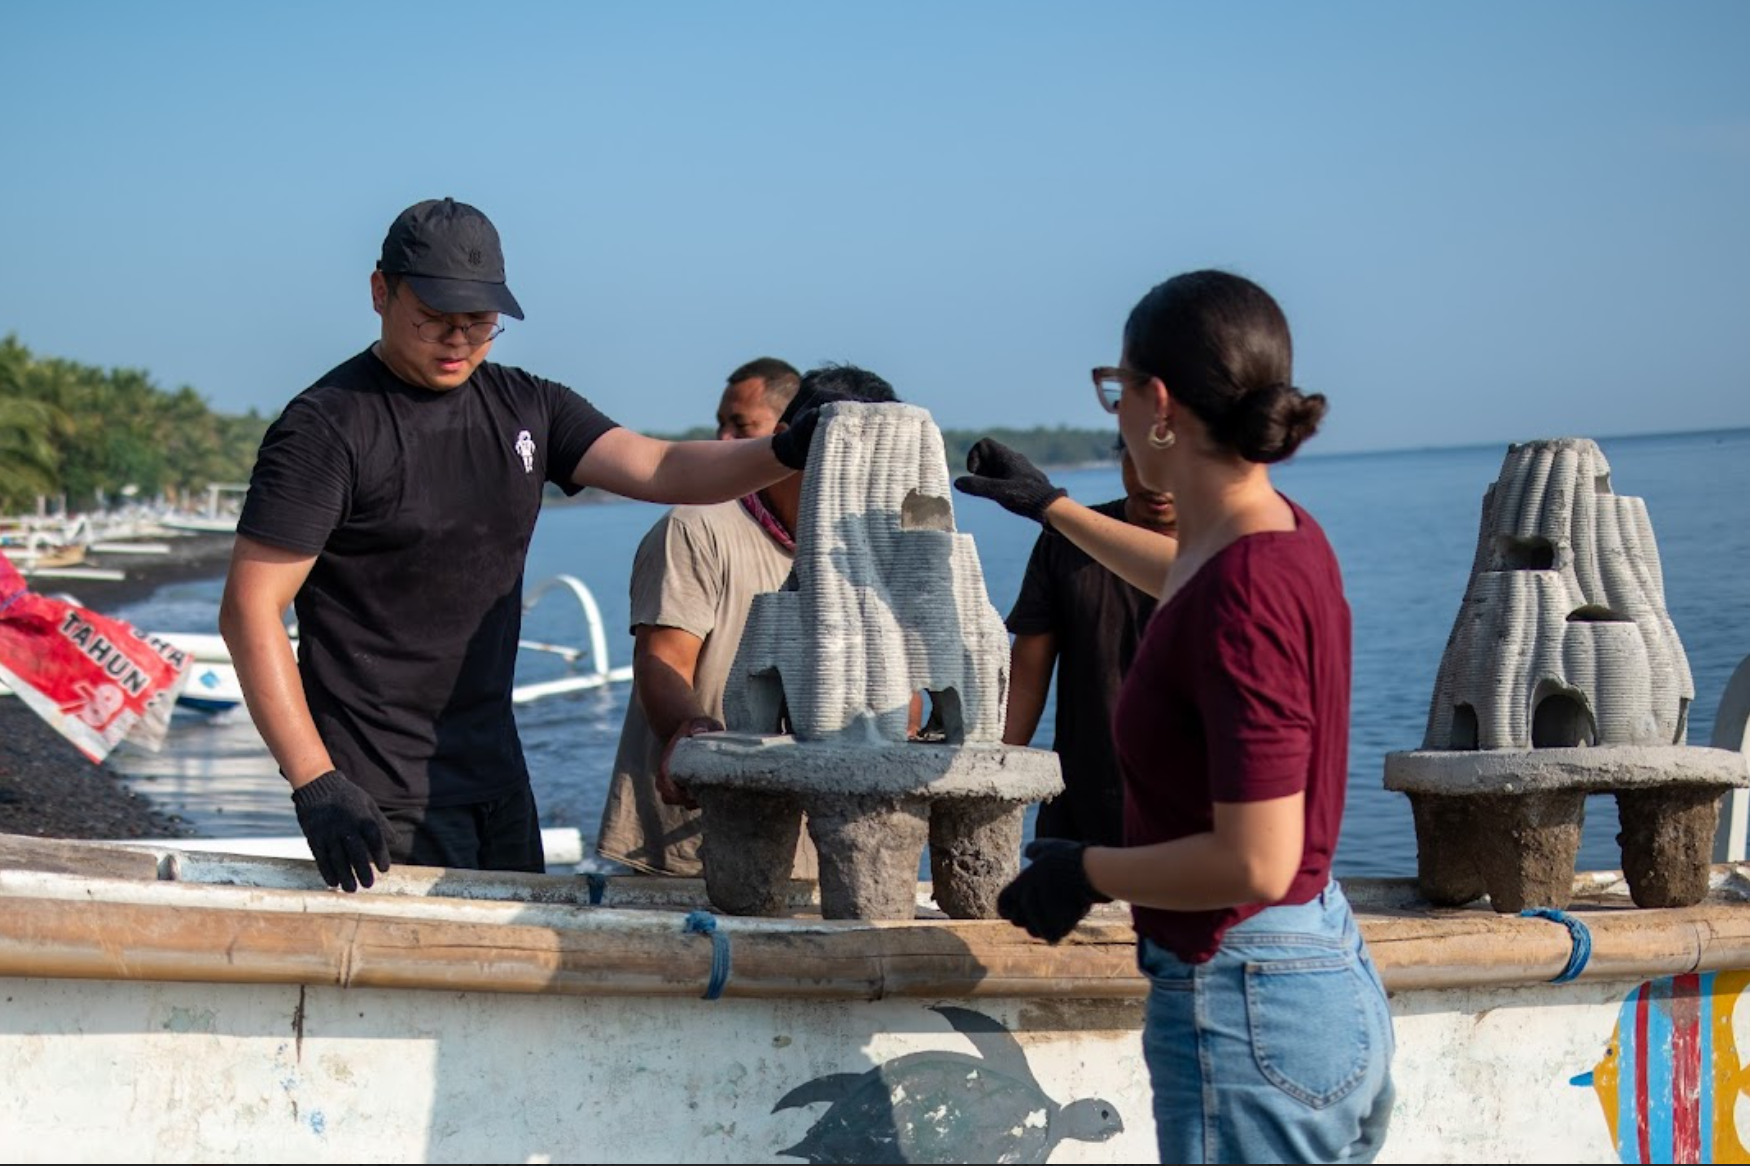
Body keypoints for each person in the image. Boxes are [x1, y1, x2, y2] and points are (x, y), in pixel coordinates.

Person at [219, 198, 821, 893]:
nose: (458, 340)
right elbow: (251, 610)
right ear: (381, 291)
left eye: (479, 323)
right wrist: (315, 782)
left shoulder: (527, 406)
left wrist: (785, 448)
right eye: (435, 318)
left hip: (497, 776)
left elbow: (662, 467)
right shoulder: (326, 428)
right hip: (377, 785)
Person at [955, 270, 1394, 1163]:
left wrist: (1088, 871)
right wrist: (1053, 509)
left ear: (1158, 405)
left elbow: (1256, 861)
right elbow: (1184, 576)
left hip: (1244, 992)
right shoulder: (1276, 534)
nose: (1113, 413)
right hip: (1311, 968)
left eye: (1115, 392)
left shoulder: (1245, 591)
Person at [596, 363, 898, 876]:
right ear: (793, 443)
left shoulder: (874, 552)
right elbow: (662, 660)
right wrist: (694, 735)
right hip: (685, 858)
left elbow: (901, 698)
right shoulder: (698, 528)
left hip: (823, 856)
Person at [1003, 444, 1174, 847]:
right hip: (1083, 813)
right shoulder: (1068, 538)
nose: (1156, 481)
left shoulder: (1239, 551)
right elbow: (1026, 679)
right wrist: (983, 773)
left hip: (1202, 819)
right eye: (1140, 459)